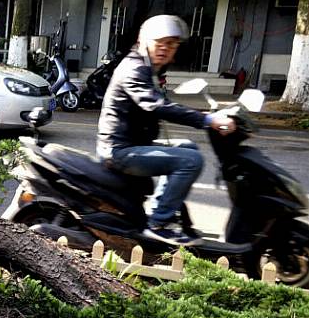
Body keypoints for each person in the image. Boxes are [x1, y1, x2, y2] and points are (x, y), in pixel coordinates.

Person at [97, 14, 236, 245]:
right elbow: (156, 104)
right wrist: (207, 119)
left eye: (171, 44)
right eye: (159, 42)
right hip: (119, 151)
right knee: (191, 161)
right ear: (143, 41)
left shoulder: (150, 69)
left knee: (188, 147)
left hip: (133, 144)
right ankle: (158, 223)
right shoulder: (134, 68)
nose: (164, 48)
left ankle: (161, 205)